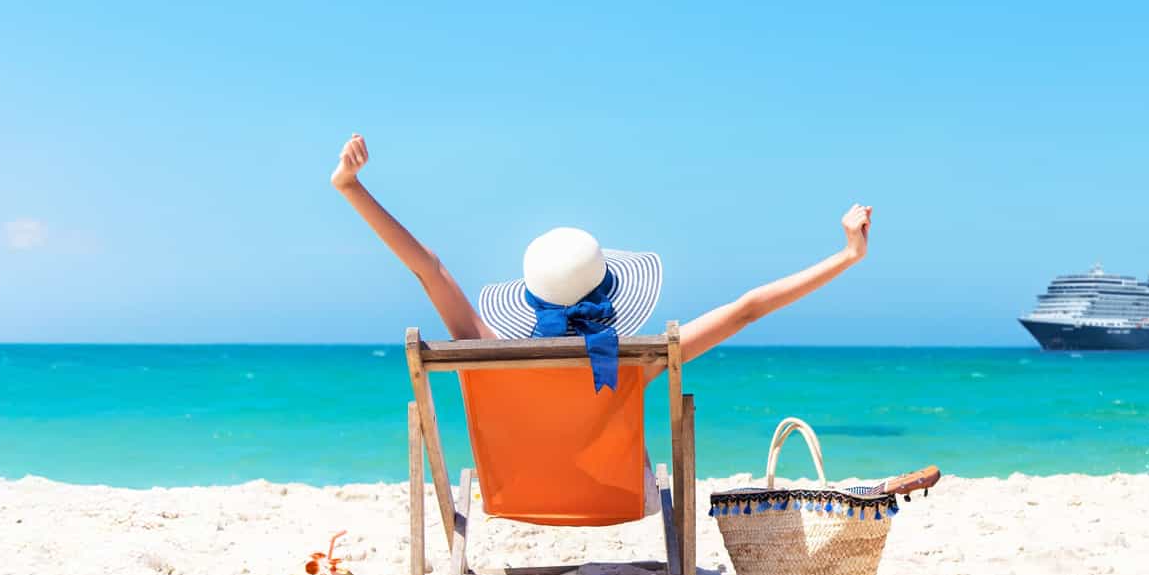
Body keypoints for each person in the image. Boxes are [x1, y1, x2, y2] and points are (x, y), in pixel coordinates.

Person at [328, 134, 870, 380]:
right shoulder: (633, 361)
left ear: (529, 297)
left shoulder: (489, 355)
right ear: (611, 295)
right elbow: (748, 308)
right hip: (613, 499)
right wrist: (847, 255)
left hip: (516, 493)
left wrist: (352, 188)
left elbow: (428, 268)